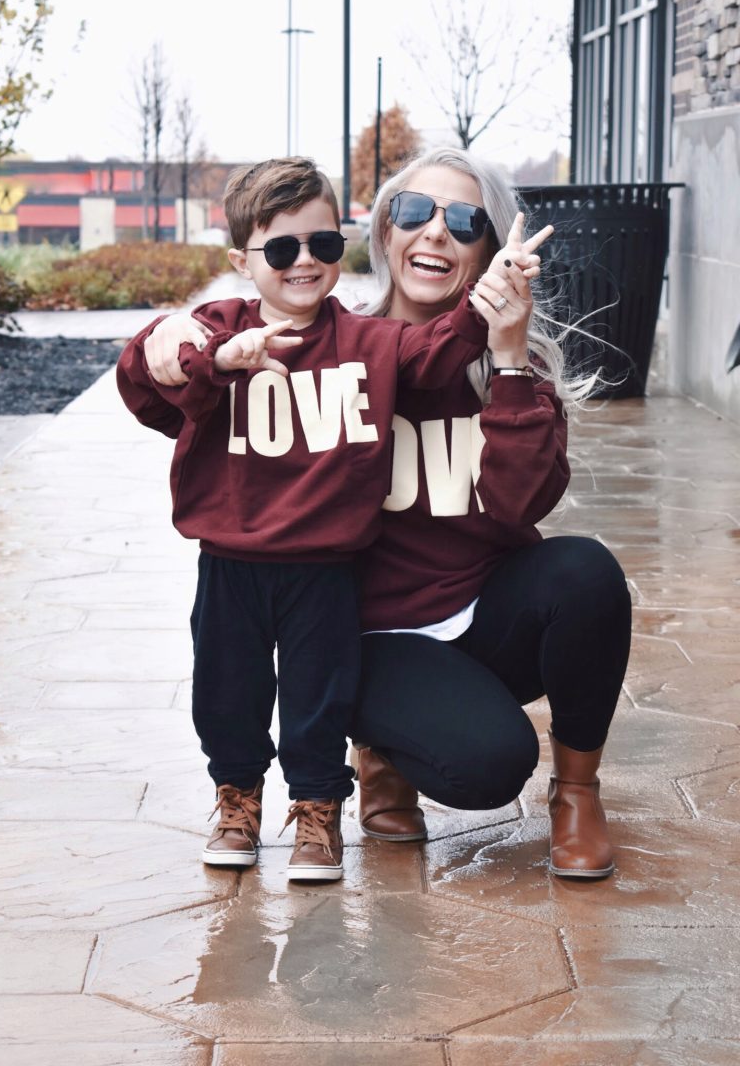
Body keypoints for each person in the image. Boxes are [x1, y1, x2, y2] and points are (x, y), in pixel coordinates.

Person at [142, 146, 632, 880]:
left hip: (478, 615)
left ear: (492, 254)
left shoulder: (514, 370)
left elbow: (516, 506)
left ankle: (577, 794)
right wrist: (174, 342)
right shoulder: (334, 345)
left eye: (464, 222)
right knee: (489, 766)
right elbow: (192, 381)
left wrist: (502, 356)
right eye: (414, 212)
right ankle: (382, 750)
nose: (436, 232)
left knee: (586, 573)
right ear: (383, 231)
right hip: (362, 639)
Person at [116, 155, 500, 883]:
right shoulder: (215, 330)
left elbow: (436, 348)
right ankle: (236, 799)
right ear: (242, 259)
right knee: (227, 694)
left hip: (325, 570)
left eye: (322, 246)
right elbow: (145, 383)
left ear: (343, 246)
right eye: (281, 248)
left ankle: (318, 811)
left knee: (318, 697)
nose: (303, 263)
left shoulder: (366, 342)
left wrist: (487, 300)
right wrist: (204, 352)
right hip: (230, 565)